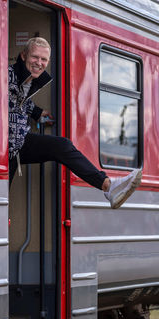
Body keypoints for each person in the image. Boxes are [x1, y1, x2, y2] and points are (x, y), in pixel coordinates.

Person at [9, 37, 142, 209]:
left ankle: (109, 187)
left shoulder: (29, 83)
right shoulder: (7, 76)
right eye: (35, 57)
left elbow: (22, 102)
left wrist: (40, 113)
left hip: (18, 144)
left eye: (44, 59)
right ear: (23, 56)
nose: (39, 63)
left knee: (62, 145)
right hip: (2, 148)